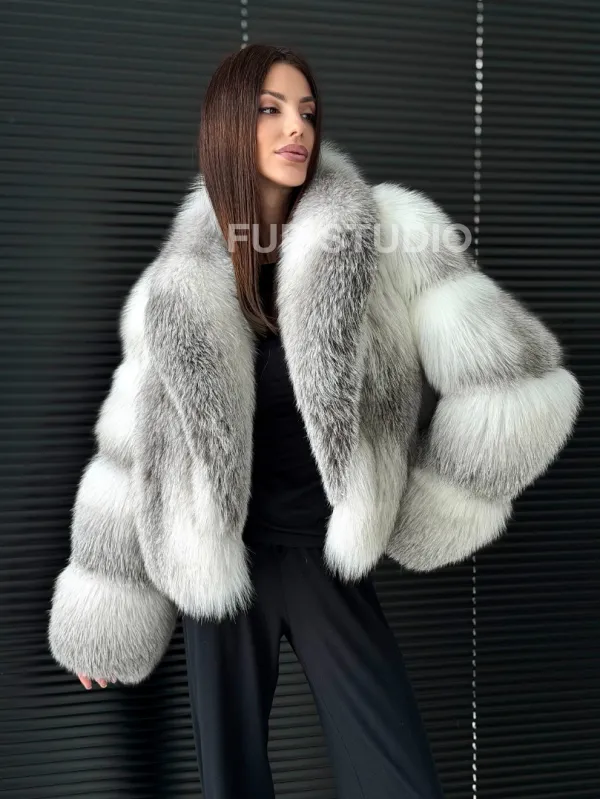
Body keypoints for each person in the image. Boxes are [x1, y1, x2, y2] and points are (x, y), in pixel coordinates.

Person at [47, 44, 582, 799]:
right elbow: (130, 455)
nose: (296, 126)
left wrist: (436, 503)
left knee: (397, 779)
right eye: (270, 109)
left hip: (324, 558)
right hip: (220, 563)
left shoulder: (391, 235)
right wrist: (104, 609)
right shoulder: (174, 285)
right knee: (232, 782)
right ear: (228, 126)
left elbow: (516, 381)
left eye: (306, 109)